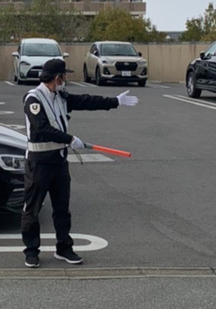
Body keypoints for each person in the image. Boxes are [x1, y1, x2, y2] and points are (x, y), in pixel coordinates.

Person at [21, 58, 138, 268]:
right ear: (57, 78)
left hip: (59, 161)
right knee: (32, 209)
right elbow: (41, 128)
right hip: (39, 163)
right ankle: (31, 251)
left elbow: (86, 101)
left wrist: (115, 102)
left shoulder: (60, 96)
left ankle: (64, 248)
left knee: (62, 208)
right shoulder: (33, 99)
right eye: (64, 76)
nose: (66, 79)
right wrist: (70, 139)